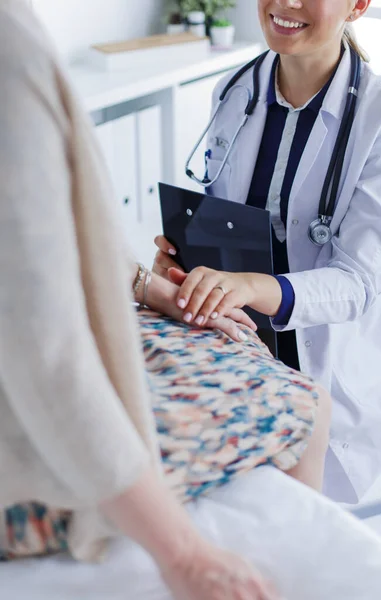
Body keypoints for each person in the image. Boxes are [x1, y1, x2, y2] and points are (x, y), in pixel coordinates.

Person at [0, 2, 331, 599]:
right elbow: (40, 339)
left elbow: (359, 279)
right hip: (33, 454)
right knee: (305, 405)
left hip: (301, 321)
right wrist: (185, 556)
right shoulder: (11, 55)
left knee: (312, 397)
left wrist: (154, 285)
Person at [154, 0, 381, 505]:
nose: (286, 4)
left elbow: (360, 283)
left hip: (321, 368)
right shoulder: (234, 91)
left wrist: (256, 286)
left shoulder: (375, 118)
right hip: (239, 355)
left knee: (299, 529)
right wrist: (184, 265)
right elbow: (220, 216)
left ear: (359, 5)